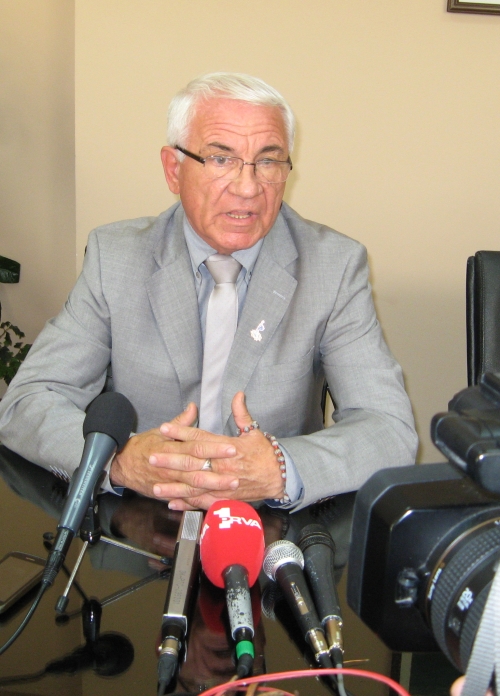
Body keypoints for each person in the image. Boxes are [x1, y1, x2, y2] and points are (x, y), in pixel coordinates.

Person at [0, 72, 418, 511]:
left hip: (269, 522)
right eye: (221, 159)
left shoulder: (334, 266)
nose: (248, 187)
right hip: (141, 514)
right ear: (173, 169)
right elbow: (27, 402)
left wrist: (281, 468)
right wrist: (119, 460)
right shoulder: (116, 258)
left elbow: (388, 428)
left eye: (268, 162)